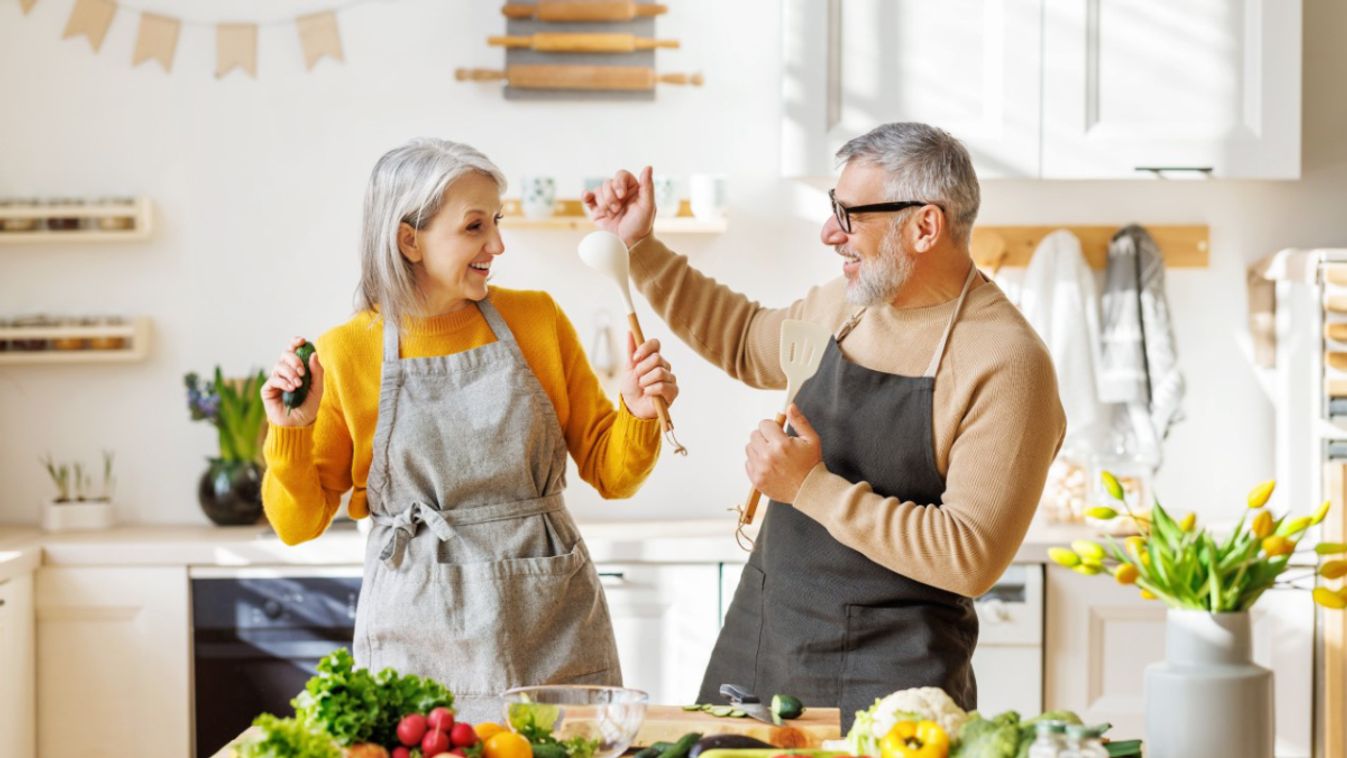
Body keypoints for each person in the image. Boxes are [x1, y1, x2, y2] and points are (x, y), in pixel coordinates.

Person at [584, 122, 1065, 727]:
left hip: (894, 683)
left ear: (925, 226)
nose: (829, 232)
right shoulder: (847, 307)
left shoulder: (1005, 361)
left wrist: (809, 488)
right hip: (763, 644)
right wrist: (641, 247)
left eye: (850, 214)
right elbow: (742, 338)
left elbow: (970, 555)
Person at [261, 138, 680, 722]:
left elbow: (612, 476)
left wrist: (636, 411)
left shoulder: (536, 319)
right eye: (475, 227)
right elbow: (296, 524)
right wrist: (291, 431)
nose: (498, 244)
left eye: (497, 221)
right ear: (410, 239)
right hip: (416, 643)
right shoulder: (345, 353)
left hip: (551, 628)